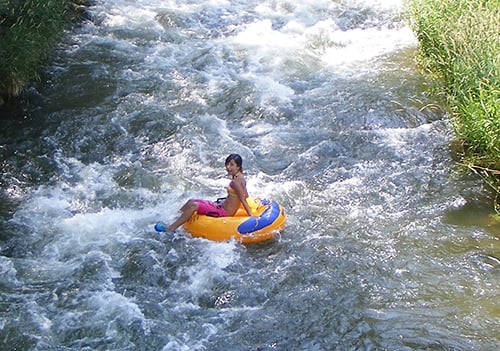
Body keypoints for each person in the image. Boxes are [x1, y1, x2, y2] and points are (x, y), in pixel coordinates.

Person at [160, 154, 253, 232]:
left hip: (223, 213)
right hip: (221, 207)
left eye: (232, 165)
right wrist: (229, 200)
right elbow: (245, 194)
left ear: (238, 166)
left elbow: (242, 199)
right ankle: (174, 219)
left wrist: (251, 217)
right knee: (191, 201)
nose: (228, 167)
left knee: (194, 205)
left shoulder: (235, 182)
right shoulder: (240, 178)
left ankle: (171, 228)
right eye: (227, 164)